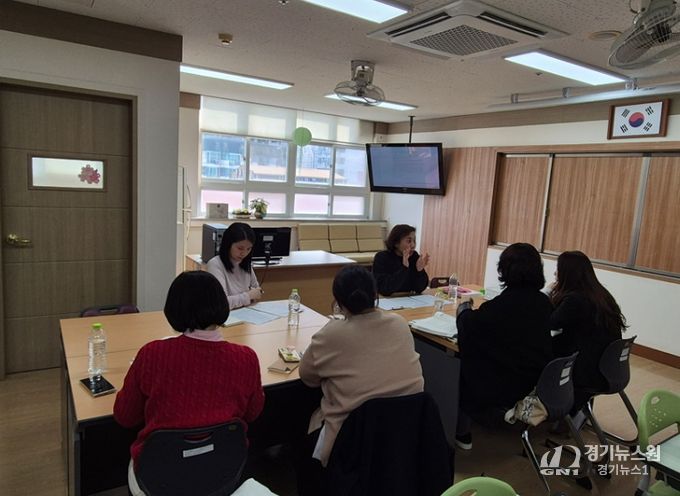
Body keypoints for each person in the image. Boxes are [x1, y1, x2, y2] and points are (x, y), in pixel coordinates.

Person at [113, 271, 265, 495]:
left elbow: (125, 416)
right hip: (223, 471)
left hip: (158, 476)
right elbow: (253, 413)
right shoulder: (246, 358)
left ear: (174, 309)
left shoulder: (152, 354)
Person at [297, 265, 424, 492]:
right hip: (404, 438)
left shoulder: (331, 333)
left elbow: (307, 377)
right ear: (375, 295)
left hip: (350, 442)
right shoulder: (399, 324)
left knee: (300, 415)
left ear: (338, 302)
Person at [455, 243, 553, 450]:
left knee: (458, 363)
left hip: (506, 384)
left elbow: (470, 327)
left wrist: (463, 310)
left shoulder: (500, 307)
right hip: (534, 379)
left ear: (505, 270)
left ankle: (461, 430)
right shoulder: (543, 302)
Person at [549, 251, 626, 405]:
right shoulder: (601, 294)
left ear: (568, 274)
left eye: (558, 269)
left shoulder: (575, 299)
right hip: (608, 368)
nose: (555, 273)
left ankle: (554, 407)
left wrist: (548, 292)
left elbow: (551, 323)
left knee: (538, 352)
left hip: (588, 371)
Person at [206, 222, 262, 309]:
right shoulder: (215, 264)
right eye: (240, 248)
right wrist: (248, 296)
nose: (244, 253)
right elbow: (221, 303)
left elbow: (257, 292)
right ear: (228, 244)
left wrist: (252, 295)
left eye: (248, 249)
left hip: (246, 311)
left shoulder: (245, 263)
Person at [372, 224, 430, 295]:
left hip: (408, 298)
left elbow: (420, 288)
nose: (413, 245)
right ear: (396, 243)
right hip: (388, 299)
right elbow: (384, 289)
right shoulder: (382, 257)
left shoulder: (414, 256)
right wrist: (404, 268)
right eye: (409, 241)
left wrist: (420, 271)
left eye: (414, 241)